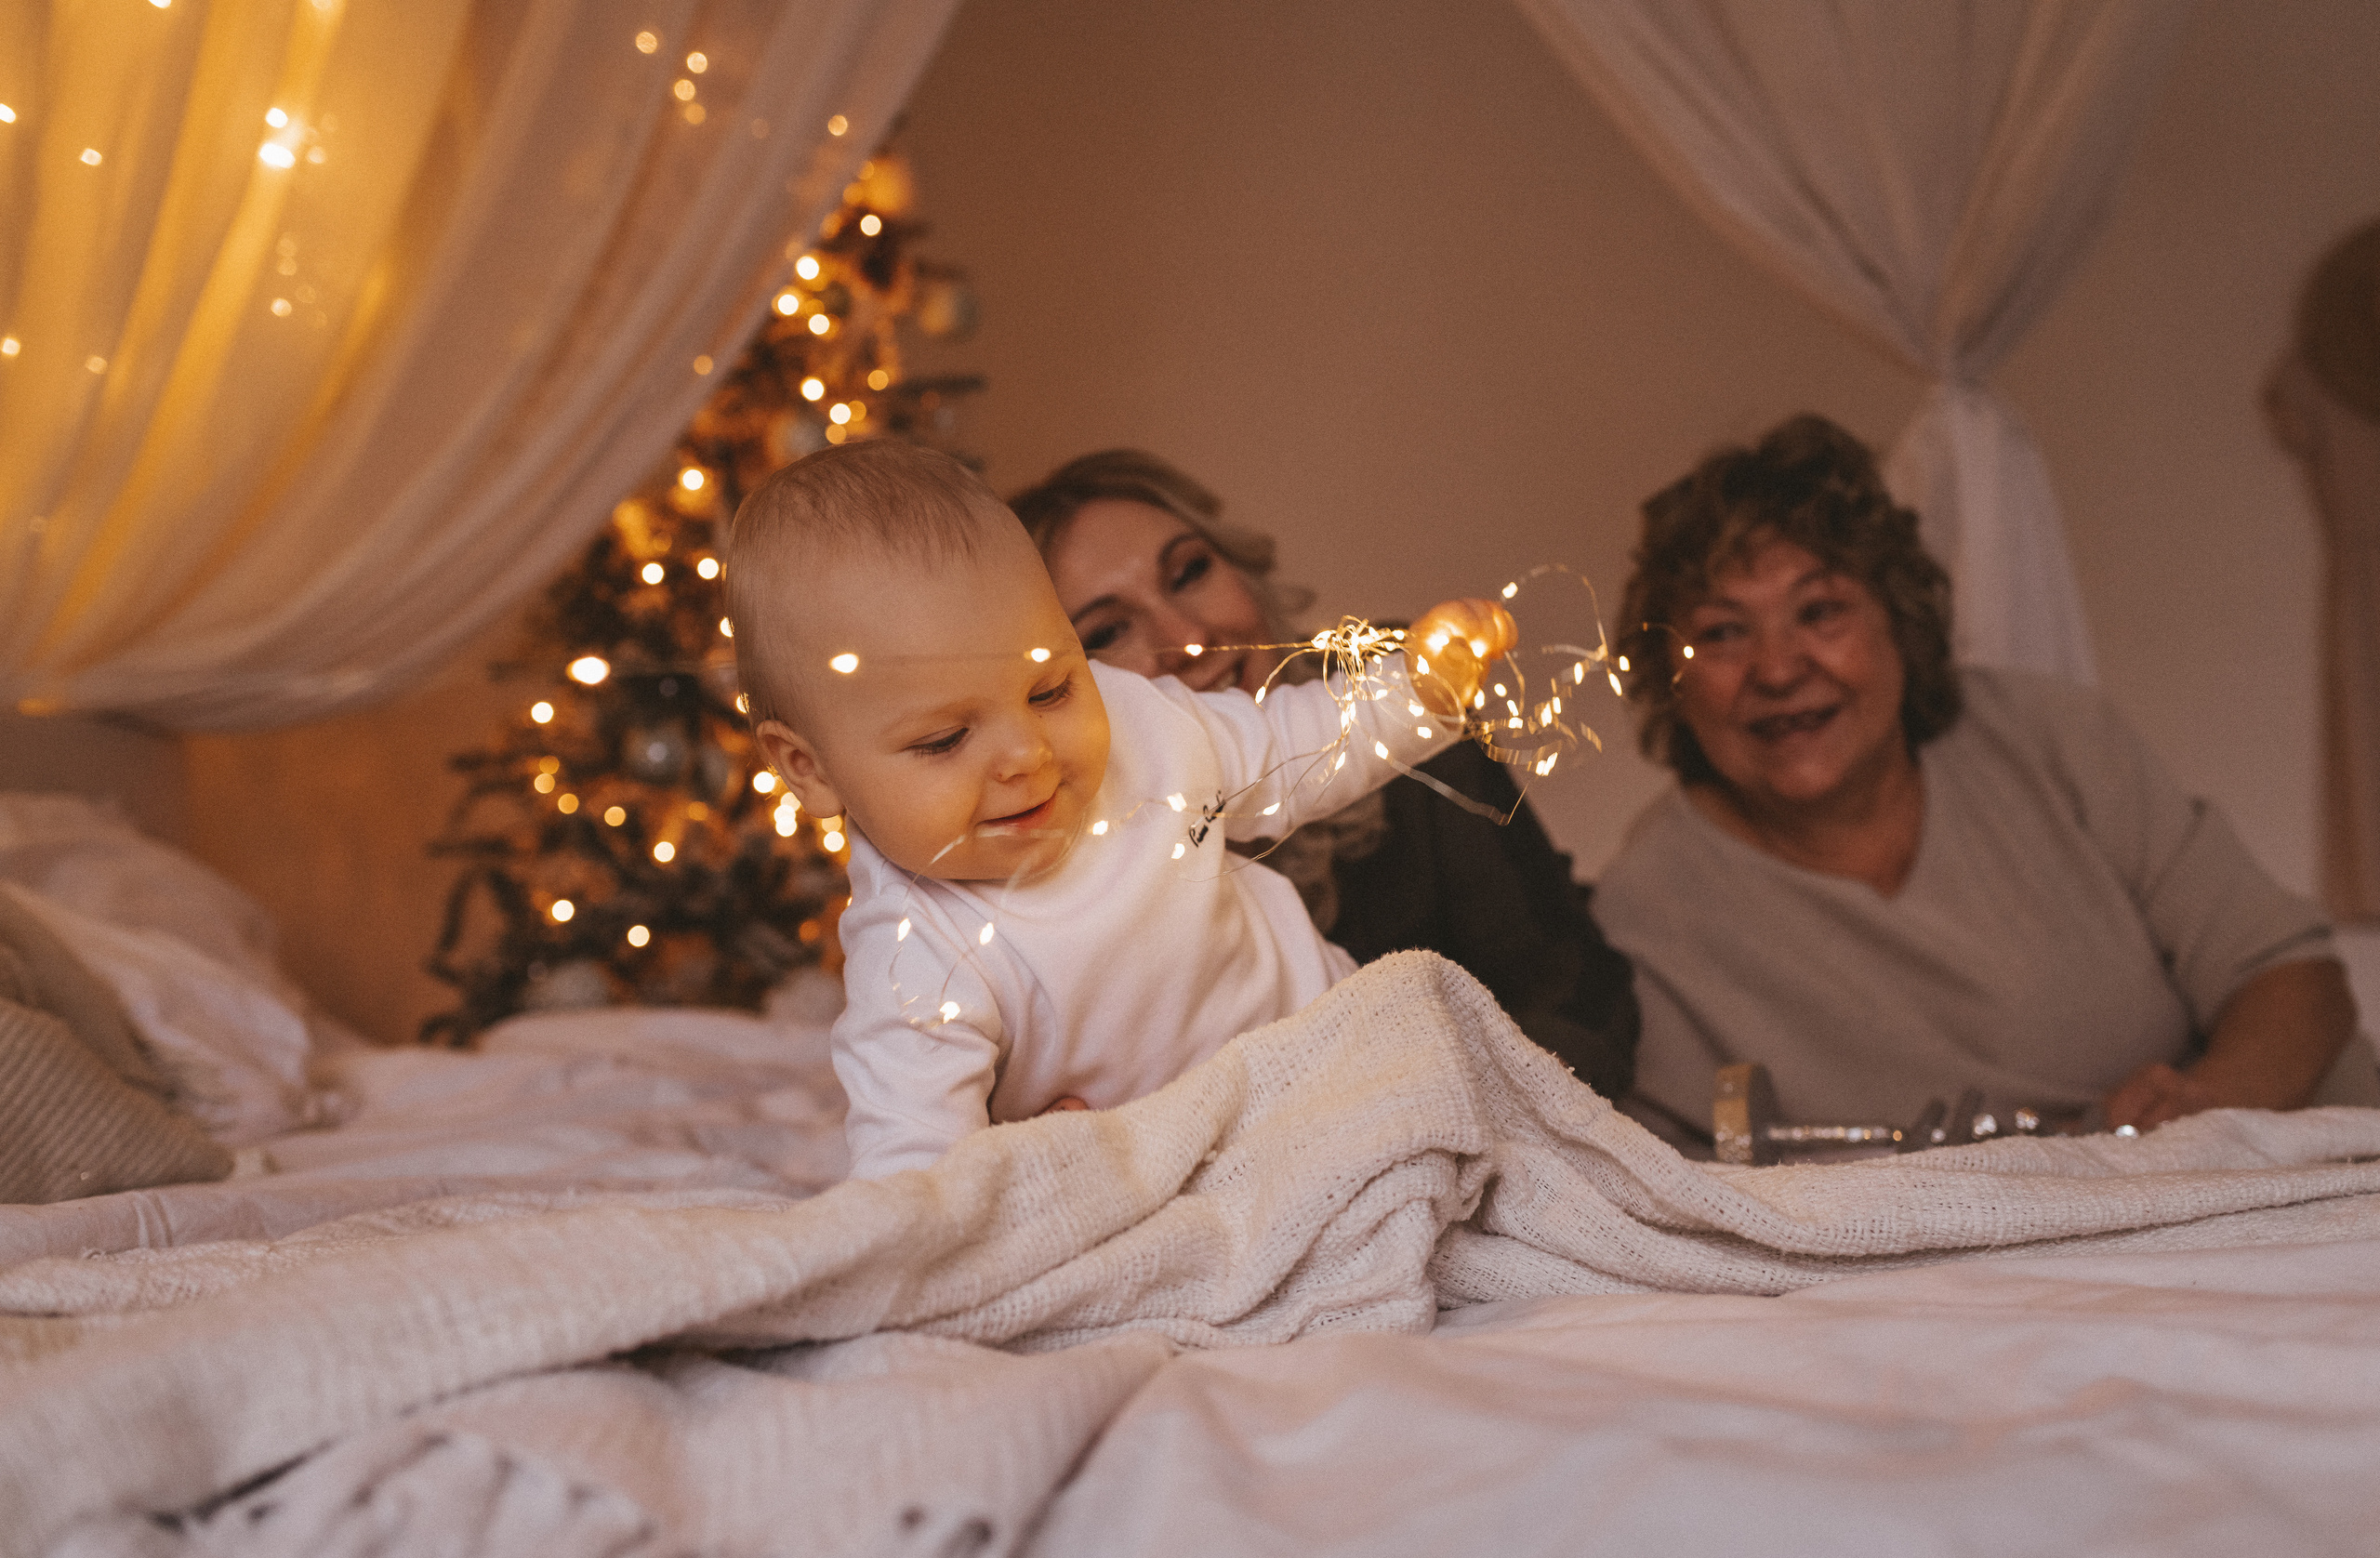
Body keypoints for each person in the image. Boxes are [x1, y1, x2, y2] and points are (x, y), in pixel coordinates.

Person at [726, 440, 1513, 1179]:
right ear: (810, 769)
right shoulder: (918, 951)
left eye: (1051, 689)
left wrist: (1417, 693)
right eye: (944, 739)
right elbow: (919, 1173)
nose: (1027, 754)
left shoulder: (1143, 725)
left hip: (1351, 1062)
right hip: (1184, 1170)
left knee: (1473, 1097)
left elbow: (1290, 745)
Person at [1593, 413, 2368, 1143]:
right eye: (1723, 632)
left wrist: (2205, 1107)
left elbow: (2289, 970)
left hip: (2271, 1182)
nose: (1778, 667)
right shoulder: (1647, 912)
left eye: (1820, 610)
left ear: (1900, 620)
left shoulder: (2052, 739)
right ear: (1670, 677)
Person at [1008, 450, 1639, 1100]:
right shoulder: (1068, 902)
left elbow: (1580, 992)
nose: (1192, 638)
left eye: (1190, 571)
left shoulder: (1396, 698)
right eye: (1109, 630)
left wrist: (1436, 1116)